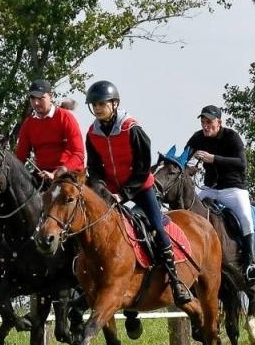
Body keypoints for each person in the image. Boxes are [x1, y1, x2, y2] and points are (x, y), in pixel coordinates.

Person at [83, 80, 195, 305]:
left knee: (156, 226)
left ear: (114, 104)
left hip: (140, 188)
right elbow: (94, 168)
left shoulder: (132, 129)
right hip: (111, 191)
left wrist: (123, 195)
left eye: (101, 104)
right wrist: (100, 188)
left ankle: (175, 281)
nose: (97, 108)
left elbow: (143, 168)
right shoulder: (92, 133)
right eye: (94, 104)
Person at [183, 104, 255, 282]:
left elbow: (241, 163)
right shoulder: (198, 137)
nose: (205, 125)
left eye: (209, 122)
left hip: (233, 189)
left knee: (245, 218)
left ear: (219, 122)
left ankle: (250, 263)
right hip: (209, 189)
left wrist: (213, 159)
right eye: (203, 122)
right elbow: (183, 158)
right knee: (187, 212)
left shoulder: (232, 137)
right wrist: (188, 168)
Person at [13, 78, 85, 183]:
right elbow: (20, 157)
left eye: (41, 98)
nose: (36, 103)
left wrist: (58, 172)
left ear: (50, 96)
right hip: (42, 175)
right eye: (33, 98)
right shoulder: (28, 124)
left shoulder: (65, 117)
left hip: (69, 175)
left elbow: (78, 153)